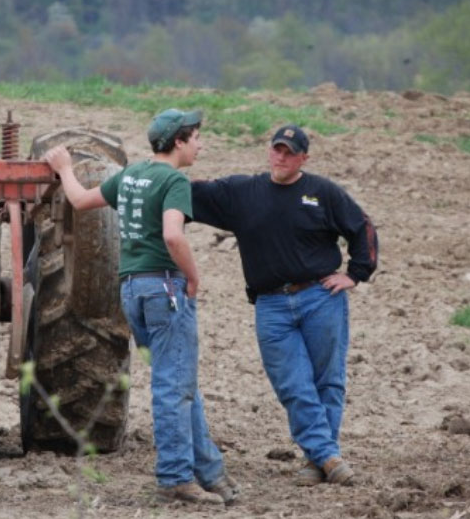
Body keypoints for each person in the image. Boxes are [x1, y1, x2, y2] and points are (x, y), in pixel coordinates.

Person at [42, 109, 239, 506]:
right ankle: (174, 478)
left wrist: (64, 168)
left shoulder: (129, 176)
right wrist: (194, 276)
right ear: (179, 141)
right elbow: (173, 235)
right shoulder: (173, 181)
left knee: (179, 381)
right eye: (197, 137)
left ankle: (211, 472)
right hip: (166, 289)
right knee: (172, 387)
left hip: (132, 291)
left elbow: (79, 200)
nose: (201, 144)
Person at [190, 124, 378, 487]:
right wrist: (153, 176)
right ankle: (328, 457)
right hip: (271, 305)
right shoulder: (244, 192)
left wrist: (356, 274)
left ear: (303, 158)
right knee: (292, 383)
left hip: (320, 297)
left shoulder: (323, 192)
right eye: (276, 149)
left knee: (328, 381)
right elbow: (193, 193)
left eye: (289, 152)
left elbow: (362, 228)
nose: (281, 157)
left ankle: (317, 459)